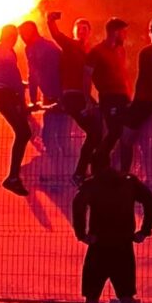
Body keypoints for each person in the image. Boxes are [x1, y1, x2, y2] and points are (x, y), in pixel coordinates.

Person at [72, 159, 152, 303]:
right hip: (123, 245)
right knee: (126, 294)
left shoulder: (92, 185)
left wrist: (82, 234)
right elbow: (150, 201)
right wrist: (144, 230)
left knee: (92, 296)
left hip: (99, 246)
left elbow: (78, 206)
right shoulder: (128, 183)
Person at [48, 11, 102, 186]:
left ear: (90, 32)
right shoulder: (70, 45)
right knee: (95, 133)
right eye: (79, 29)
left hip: (84, 97)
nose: (82, 32)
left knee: (100, 131)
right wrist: (51, 20)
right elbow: (56, 35)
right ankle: (80, 173)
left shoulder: (90, 52)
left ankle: (89, 171)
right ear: (74, 31)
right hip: (72, 95)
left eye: (85, 29)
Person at [0, 24, 32, 196]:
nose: (15, 38)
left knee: (23, 131)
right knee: (24, 132)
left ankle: (13, 176)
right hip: (4, 93)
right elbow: (13, 75)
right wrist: (22, 100)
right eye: (14, 35)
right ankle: (12, 177)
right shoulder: (7, 52)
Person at [120, 17, 152, 174]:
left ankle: (124, 174)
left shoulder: (146, 52)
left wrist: (134, 101)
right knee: (145, 139)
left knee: (126, 139)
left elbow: (142, 78)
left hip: (145, 100)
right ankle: (150, 173)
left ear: (150, 31)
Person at [87, 18, 132, 169]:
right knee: (115, 131)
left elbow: (124, 74)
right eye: (124, 31)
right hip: (109, 97)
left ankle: (122, 170)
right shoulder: (97, 51)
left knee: (126, 133)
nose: (126, 35)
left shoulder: (121, 50)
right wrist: (87, 98)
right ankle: (97, 162)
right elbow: (86, 75)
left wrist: (129, 95)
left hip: (123, 97)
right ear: (115, 32)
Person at [19, 20, 62, 110]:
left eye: (23, 33)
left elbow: (33, 74)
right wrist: (33, 100)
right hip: (50, 94)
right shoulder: (29, 48)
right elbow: (32, 75)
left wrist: (33, 101)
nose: (22, 37)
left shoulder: (47, 46)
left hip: (58, 93)